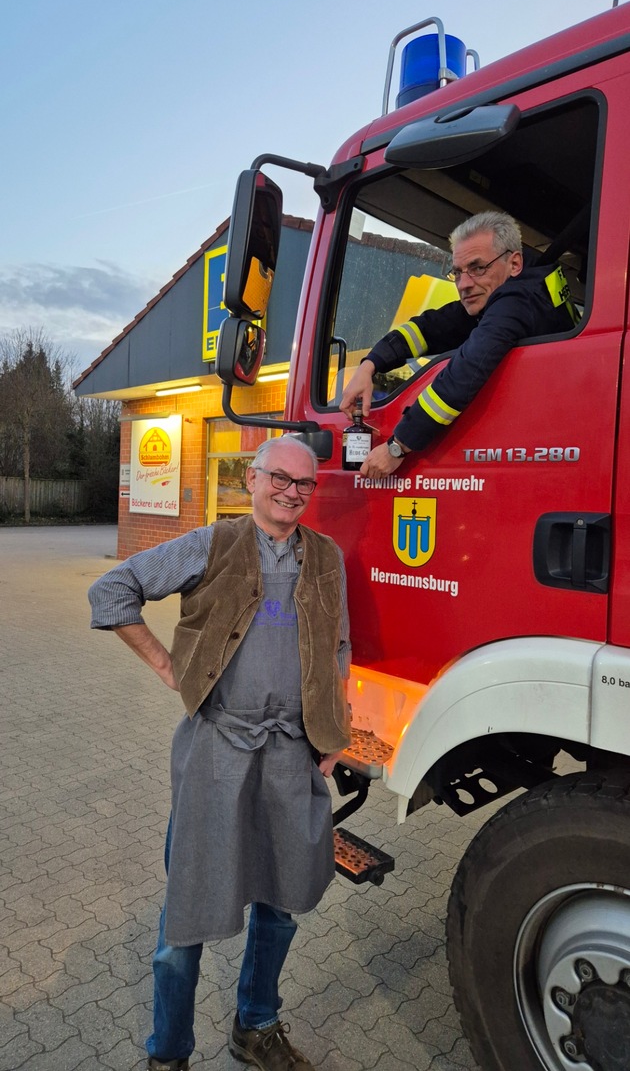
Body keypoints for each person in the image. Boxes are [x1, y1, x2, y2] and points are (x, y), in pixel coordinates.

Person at [88, 435, 352, 1071]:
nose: (292, 491)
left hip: (292, 750)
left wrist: (331, 736)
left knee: (282, 901)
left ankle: (255, 1027)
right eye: (279, 478)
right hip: (218, 748)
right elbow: (113, 589)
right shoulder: (212, 543)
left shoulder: (326, 559)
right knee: (188, 915)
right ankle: (169, 1054)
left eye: (304, 484)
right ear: (252, 480)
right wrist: (162, 663)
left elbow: (338, 647)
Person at [340, 210, 576, 478]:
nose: (464, 284)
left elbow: (464, 373)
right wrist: (370, 365)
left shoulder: (516, 301)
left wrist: (397, 447)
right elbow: (432, 327)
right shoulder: (513, 289)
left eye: (477, 268)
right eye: (457, 273)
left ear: (514, 264)